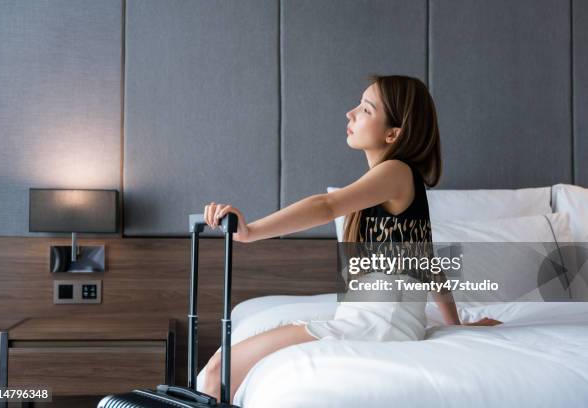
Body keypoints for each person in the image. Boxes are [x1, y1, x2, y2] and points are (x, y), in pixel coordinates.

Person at [200, 74, 502, 403]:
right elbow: (427, 262)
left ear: (393, 133)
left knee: (218, 371)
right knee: (221, 369)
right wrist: (455, 324)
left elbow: (326, 206)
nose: (350, 113)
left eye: (366, 109)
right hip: (377, 323)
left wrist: (250, 232)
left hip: (376, 326)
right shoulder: (393, 182)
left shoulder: (397, 172)